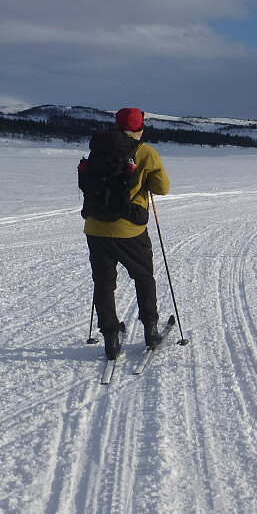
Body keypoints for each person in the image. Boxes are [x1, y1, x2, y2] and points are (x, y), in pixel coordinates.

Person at [84, 107, 170, 359]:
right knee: (143, 276)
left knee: (103, 281)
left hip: (95, 226)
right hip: (130, 228)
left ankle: (110, 336)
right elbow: (162, 188)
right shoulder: (145, 151)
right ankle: (151, 331)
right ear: (139, 128)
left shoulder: (98, 147)